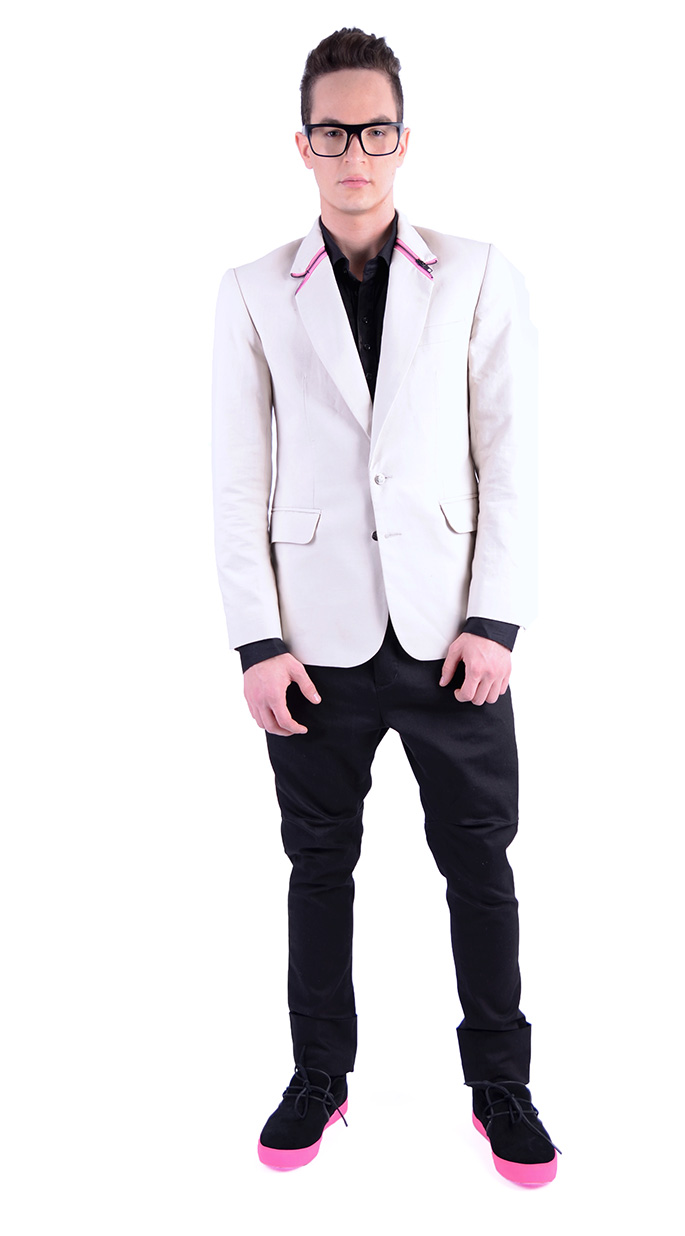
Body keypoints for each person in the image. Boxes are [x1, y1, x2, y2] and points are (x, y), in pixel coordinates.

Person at [211, 27, 558, 1185]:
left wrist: (495, 620)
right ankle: (320, 1075)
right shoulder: (253, 291)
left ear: (404, 140)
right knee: (318, 869)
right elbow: (234, 481)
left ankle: (500, 1085)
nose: (353, 151)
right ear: (301, 145)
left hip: (453, 635)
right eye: (332, 131)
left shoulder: (475, 273)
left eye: (373, 130)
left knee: (481, 867)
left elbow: (511, 457)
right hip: (313, 647)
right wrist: (258, 641)